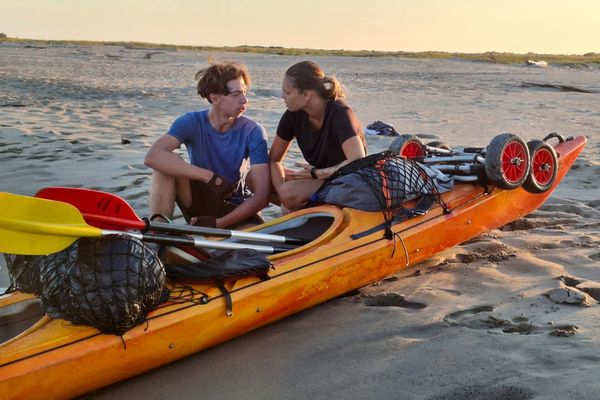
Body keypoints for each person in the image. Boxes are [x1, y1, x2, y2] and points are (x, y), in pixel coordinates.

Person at [144, 62, 270, 229]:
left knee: (247, 248)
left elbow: (261, 196)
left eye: (245, 92)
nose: (244, 100)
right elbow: (152, 156)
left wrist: (218, 224)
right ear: (215, 98)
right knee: (164, 164)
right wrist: (209, 177)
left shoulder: (254, 131)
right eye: (236, 94)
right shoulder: (191, 122)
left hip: (235, 207)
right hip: (200, 201)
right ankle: (158, 230)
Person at [269, 61, 367, 211]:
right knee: (260, 177)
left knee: (288, 192)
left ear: (306, 94)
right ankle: (296, 209)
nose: (283, 96)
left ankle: (302, 207)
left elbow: (357, 161)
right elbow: (274, 159)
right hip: (318, 178)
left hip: (348, 180)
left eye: (287, 92)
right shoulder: (292, 115)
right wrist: (283, 194)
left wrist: (318, 173)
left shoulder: (340, 113)